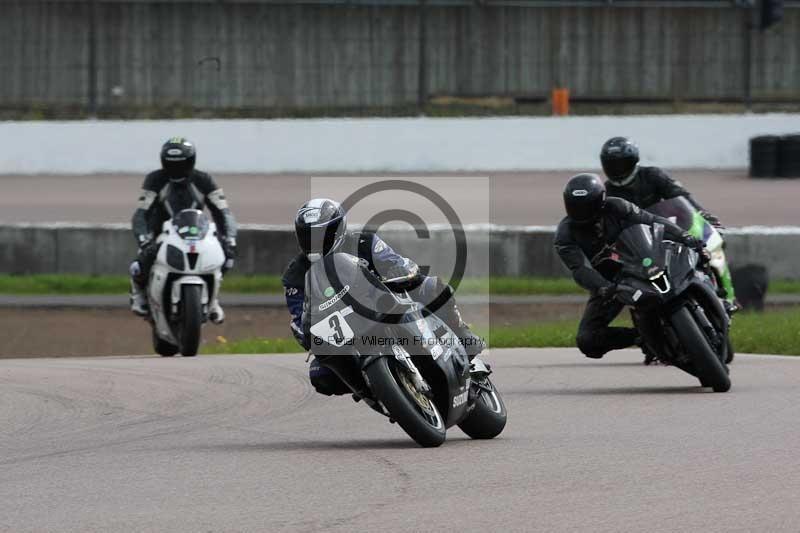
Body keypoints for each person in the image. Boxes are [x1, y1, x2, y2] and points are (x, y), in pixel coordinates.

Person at [283, 198, 483, 396]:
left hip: (384, 303)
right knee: (321, 375)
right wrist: (304, 330)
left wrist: (400, 271)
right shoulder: (295, 276)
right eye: (307, 235)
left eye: (320, 234)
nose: (314, 241)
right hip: (344, 331)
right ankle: (371, 391)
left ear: (338, 229)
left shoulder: (364, 242)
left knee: (433, 287)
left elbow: (396, 263)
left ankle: (463, 339)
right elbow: (299, 316)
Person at [554, 173, 708, 360]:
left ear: (601, 200)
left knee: (696, 259)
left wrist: (684, 236)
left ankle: (712, 297)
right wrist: (604, 287)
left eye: (586, 206)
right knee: (587, 340)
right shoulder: (565, 234)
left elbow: (652, 220)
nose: (581, 212)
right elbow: (578, 269)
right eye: (575, 206)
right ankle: (643, 338)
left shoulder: (617, 206)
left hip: (645, 260)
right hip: (612, 283)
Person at [599, 136, 737, 313]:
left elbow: (681, 196)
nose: (617, 169)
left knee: (711, 240)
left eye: (621, 163)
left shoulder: (652, 175)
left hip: (670, 228)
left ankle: (727, 296)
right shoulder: (607, 192)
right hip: (640, 243)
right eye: (612, 164)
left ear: (633, 161)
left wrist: (704, 216)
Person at [129, 137, 237, 322]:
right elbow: (140, 214)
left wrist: (230, 238)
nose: (176, 170)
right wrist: (143, 239)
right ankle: (138, 294)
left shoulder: (204, 180)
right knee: (138, 264)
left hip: (196, 232)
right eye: (171, 165)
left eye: (181, 164)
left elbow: (223, 212)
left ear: (191, 161)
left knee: (226, 259)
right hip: (161, 234)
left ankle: (213, 298)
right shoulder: (155, 179)